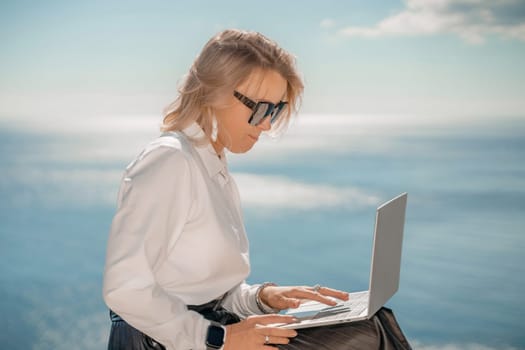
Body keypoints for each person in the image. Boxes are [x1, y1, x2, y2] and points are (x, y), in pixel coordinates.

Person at [103, 29, 412, 350]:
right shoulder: (170, 161)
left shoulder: (211, 166)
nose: (267, 124)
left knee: (369, 323)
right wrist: (221, 339)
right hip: (162, 342)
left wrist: (262, 298)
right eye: (262, 108)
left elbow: (204, 293)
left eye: (276, 110)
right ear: (214, 92)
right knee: (369, 335)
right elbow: (125, 289)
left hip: (202, 333)